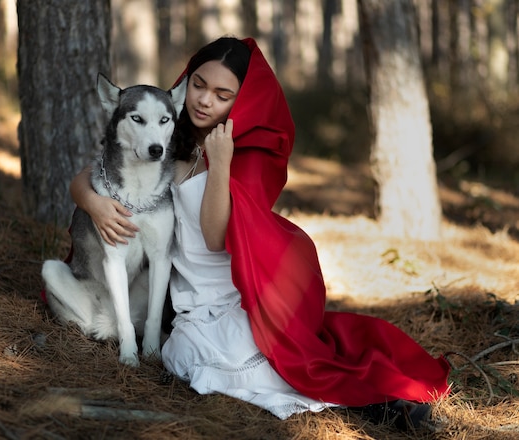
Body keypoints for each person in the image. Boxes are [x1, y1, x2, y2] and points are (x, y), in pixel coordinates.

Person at [68, 36, 451, 428]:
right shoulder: (164, 135)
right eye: (198, 84)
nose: (204, 100)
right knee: (187, 354)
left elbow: (215, 237)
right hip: (190, 304)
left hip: (235, 294)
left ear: (240, 100)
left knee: (242, 354)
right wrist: (92, 202)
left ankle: (372, 404)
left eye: (222, 94)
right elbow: (92, 175)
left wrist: (220, 165)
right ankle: (364, 403)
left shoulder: (242, 154)